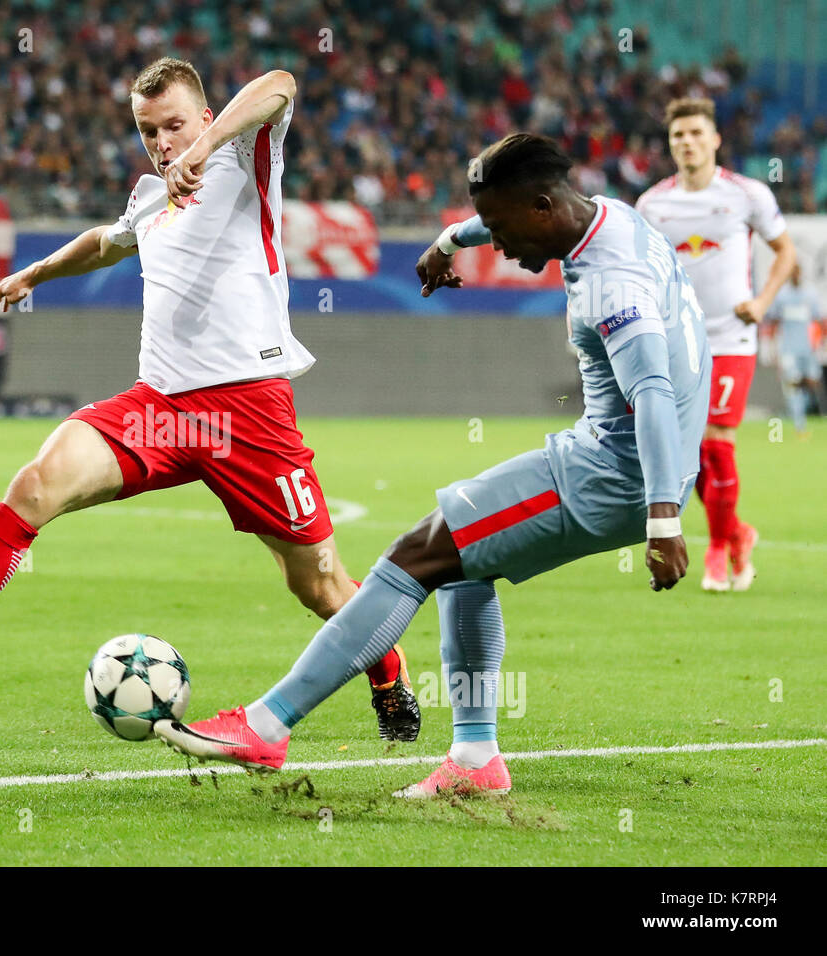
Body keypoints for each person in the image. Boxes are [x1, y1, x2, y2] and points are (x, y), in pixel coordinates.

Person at [0, 59, 418, 743]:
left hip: (248, 412)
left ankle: (389, 674)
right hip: (157, 409)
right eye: (149, 131)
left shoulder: (243, 157)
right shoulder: (152, 197)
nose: (162, 142)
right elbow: (105, 241)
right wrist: (34, 273)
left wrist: (204, 151)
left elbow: (281, 83)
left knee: (319, 584)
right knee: (35, 484)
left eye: (175, 125)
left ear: (205, 119)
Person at [155, 134, 708, 797]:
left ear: (541, 206)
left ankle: (267, 725)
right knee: (465, 564)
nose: (498, 247)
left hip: (617, 477)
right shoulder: (612, 216)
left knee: (415, 555)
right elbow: (502, 219)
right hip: (631, 463)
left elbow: (651, 390)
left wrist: (664, 521)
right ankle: (476, 757)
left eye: (502, 230)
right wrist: (453, 240)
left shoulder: (613, 288)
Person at [635, 97, 796, 592]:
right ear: (670, 144)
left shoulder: (746, 194)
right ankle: (739, 533)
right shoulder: (651, 204)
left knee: (719, 442)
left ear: (715, 139)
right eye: (678, 135)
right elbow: (638, 267)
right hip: (675, 342)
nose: (687, 142)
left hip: (731, 337)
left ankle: (718, 550)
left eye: (696, 133)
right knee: (686, 454)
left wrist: (764, 300)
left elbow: (785, 252)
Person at [766, 263, 824, 436]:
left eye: (798, 272)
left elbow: (818, 321)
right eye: (793, 272)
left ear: (802, 273)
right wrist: (772, 348)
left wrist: (819, 344)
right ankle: (800, 424)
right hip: (788, 349)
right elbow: (774, 322)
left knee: (812, 382)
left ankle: (801, 413)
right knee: (791, 385)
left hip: (808, 348)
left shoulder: (811, 295)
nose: (796, 275)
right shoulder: (782, 296)